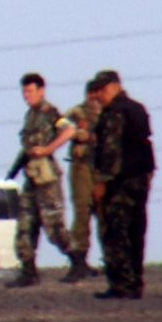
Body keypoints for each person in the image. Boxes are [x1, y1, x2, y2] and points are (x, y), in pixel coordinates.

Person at [5, 72, 80, 288]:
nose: (26, 96)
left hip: (46, 179)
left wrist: (48, 149)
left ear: (41, 90)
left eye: (30, 91)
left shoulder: (50, 112)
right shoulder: (30, 116)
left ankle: (77, 262)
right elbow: (26, 148)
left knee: (54, 226)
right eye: (24, 92)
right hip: (31, 177)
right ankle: (28, 271)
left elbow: (70, 130)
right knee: (26, 225)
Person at [88, 69, 155, 300]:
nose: (99, 95)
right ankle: (135, 283)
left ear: (112, 87)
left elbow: (111, 151)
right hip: (139, 180)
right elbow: (146, 146)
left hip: (120, 183)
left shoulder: (114, 112)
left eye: (102, 90)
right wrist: (148, 176)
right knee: (136, 231)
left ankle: (122, 285)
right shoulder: (137, 109)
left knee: (117, 232)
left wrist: (101, 183)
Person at [63, 78, 102, 283]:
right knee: (82, 212)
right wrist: (80, 133)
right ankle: (79, 260)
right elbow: (60, 124)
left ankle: (112, 259)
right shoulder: (78, 112)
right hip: (81, 167)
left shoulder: (109, 113)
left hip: (102, 168)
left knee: (105, 214)